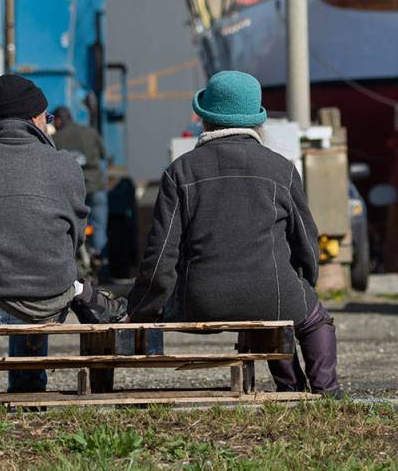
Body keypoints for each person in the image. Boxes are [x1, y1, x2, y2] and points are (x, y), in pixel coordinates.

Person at [127, 70, 342, 397]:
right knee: (312, 319)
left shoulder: (181, 171)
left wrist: (142, 307)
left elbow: (160, 257)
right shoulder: (280, 168)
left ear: (205, 119)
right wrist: (304, 280)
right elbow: (306, 244)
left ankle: (290, 385)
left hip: (201, 302)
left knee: (267, 305)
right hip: (274, 295)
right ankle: (326, 392)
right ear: (257, 121)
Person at [0, 74, 126, 393]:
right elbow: (74, 241)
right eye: (48, 118)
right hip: (47, 300)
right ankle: (30, 382)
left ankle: (26, 381)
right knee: (47, 277)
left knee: (22, 278)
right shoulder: (64, 165)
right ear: (35, 118)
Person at [52, 107, 110, 269]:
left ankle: (76, 269)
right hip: (96, 186)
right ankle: (102, 268)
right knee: (99, 228)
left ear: (58, 120)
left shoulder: (55, 139)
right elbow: (104, 154)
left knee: (72, 229)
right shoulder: (90, 132)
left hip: (72, 192)